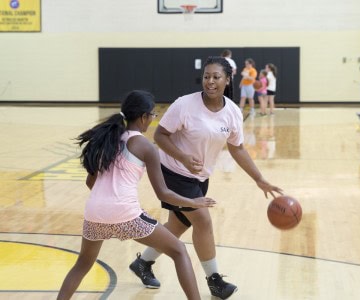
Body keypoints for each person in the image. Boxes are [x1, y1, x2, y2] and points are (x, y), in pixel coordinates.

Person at [129, 57, 283, 300]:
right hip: (172, 172)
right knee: (203, 221)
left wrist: (259, 179)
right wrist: (183, 157)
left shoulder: (232, 112)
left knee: (179, 225)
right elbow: (160, 135)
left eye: (216, 77)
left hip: (199, 177)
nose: (210, 81)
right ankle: (214, 280)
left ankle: (143, 263)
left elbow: (238, 149)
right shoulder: (185, 105)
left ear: (227, 79)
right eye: (206, 76)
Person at [57, 90, 216, 300]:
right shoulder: (145, 146)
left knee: (82, 265)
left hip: (94, 212)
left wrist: (106, 203)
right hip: (125, 214)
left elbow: (90, 182)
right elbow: (164, 193)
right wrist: (192, 201)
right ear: (143, 117)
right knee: (179, 251)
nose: (152, 119)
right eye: (152, 115)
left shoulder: (107, 139)